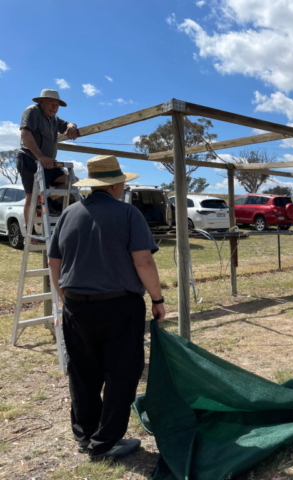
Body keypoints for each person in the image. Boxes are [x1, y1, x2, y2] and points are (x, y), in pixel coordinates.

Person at [48, 155, 166, 462]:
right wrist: (157, 299)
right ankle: (106, 443)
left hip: (76, 304)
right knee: (122, 373)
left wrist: (64, 297)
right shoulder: (128, 214)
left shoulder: (69, 214)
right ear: (115, 184)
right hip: (119, 305)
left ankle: (85, 435)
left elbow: (54, 261)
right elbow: (143, 260)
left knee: (83, 372)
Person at [18, 89, 79, 226]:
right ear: (41, 101)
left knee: (72, 181)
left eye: (57, 105)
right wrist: (40, 156)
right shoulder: (33, 111)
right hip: (30, 159)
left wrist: (72, 126)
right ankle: (30, 231)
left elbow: (66, 125)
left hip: (49, 163)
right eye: (51, 103)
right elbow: (25, 134)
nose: (54, 107)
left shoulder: (54, 119)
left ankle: (45, 201)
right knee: (31, 196)